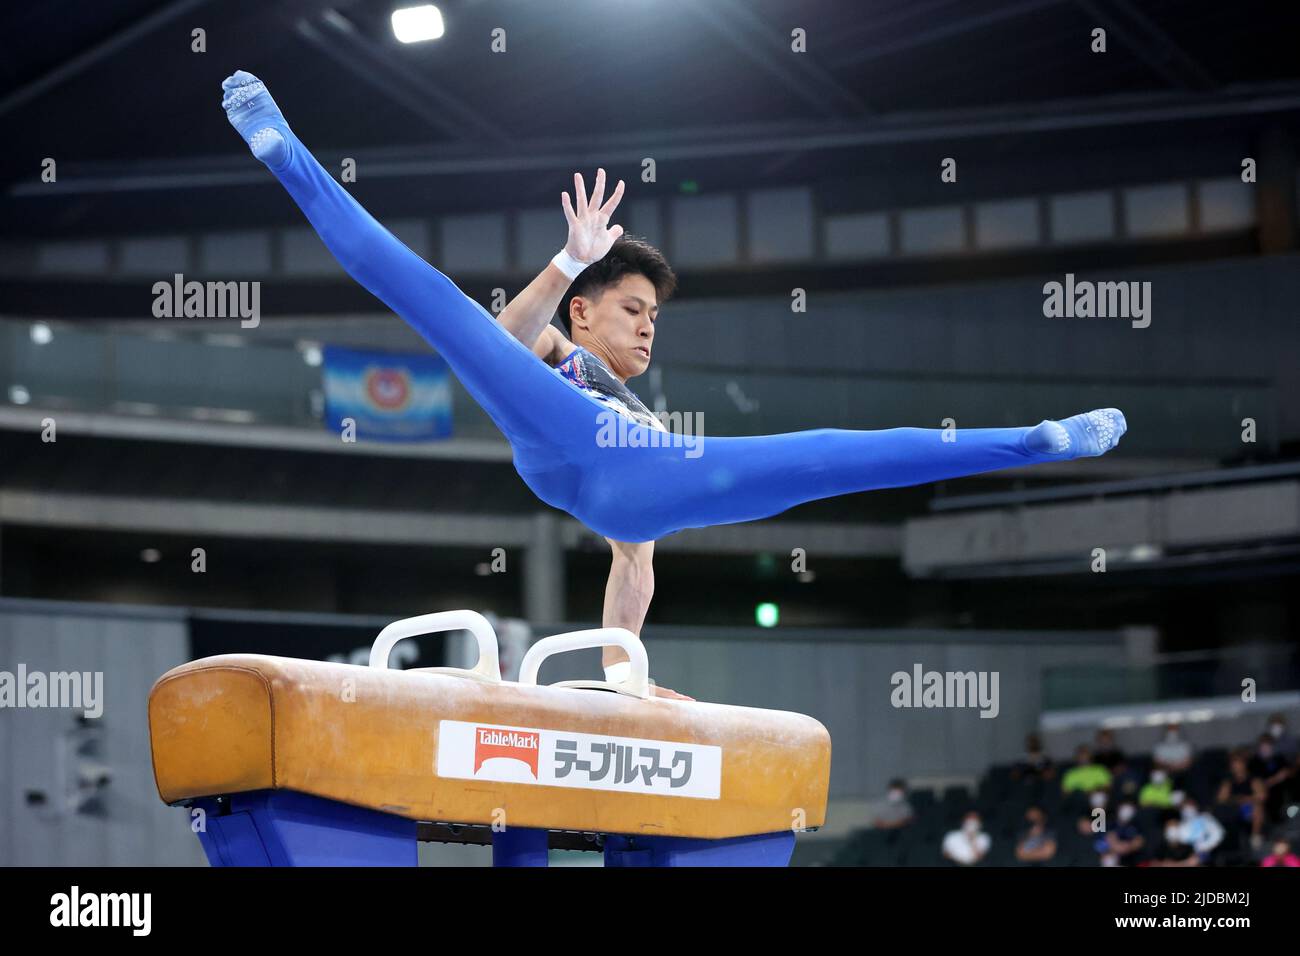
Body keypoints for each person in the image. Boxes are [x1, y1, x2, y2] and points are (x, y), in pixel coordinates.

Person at [219, 70, 1128, 680]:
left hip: (625, 478)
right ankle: (284, 152)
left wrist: (624, 679)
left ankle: (1034, 442)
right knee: (434, 300)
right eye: (633, 309)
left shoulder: (638, 410)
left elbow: (632, 564)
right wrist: (569, 264)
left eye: (655, 316)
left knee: (826, 455)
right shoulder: (563, 344)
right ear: (585, 312)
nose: (648, 328)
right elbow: (502, 336)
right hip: (567, 439)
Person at [1216, 750, 1267, 846]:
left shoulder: (1253, 779)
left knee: (1257, 806)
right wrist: (1236, 799)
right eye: (1233, 764)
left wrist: (1245, 799)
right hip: (1233, 809)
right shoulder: (1228, 782)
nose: (1236, 767)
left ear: (1244, 764)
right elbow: (1221, 799)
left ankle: (1255, 836)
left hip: (1249, 809)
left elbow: (1262, 796)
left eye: (1238, 763)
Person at [1177, 798, 1224, 864]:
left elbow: (1219, 834)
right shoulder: (1181, 826)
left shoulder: (1204, 817)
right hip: (1191, 852)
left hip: (1206, 849)